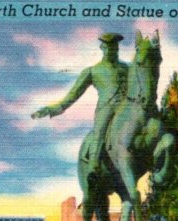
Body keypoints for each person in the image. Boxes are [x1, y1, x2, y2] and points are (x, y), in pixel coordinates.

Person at [31, 32, 129, 176]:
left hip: (127, 107)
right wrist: (50, 109)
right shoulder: (92, 71)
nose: (111, 51)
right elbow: (73, 95)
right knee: (100, 133)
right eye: (108, 47)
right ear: (102, 48)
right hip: (107, 108)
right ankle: (94, 167)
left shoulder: (127, 68)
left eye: (114, 47)